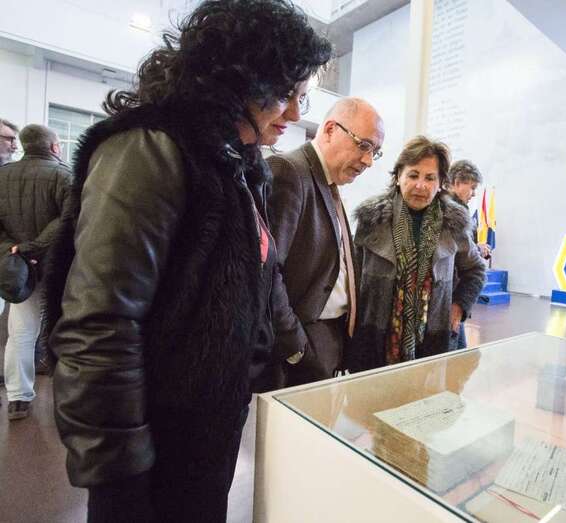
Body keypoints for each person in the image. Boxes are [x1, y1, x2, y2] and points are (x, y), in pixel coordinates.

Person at [43, 1, 330, 521]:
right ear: (237, 79)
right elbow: (99, 323)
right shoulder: (150, 150)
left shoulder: (240, 166)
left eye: (300, 96)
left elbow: (261, 282)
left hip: (206, 434)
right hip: (149, 452)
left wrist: (293, 358)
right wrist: (118, 470)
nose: (293, 113)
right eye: (285, 93)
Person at [267, 97, 384, 385]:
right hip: (298, 347)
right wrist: (296, 348)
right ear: (331, 129)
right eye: (364, 145)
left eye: (375, 152)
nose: (368, 161)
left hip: (328, 340)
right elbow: (267, 274)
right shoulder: (289, 171)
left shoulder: (328, 182)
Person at [346, 136, 486, 372]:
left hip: (433, 342)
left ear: (441, 182)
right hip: (374, 343)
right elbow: (351, 277)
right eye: (413, 175)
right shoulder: (372, 220)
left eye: (430, 178)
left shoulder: (453, 224)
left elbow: (476, 268)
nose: (421, 185)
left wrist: (459, 306)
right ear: (398, 177)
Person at [0, 124, 70, 419]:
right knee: (66, 331)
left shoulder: (2, 176)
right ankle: (68, 399)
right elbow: (70, 219)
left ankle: (18, 398)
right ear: (54, 147)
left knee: (21, 332)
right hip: (59, 266)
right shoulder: (65, 175)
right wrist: (35, 246)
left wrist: (15, 249)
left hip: (20, 268)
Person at [446, 159, 488, 350]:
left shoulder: (457, 211)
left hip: (453, 296)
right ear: (456, 182)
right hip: (449, 297)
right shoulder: (452, 212)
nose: (473, 193)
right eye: (471, 187)